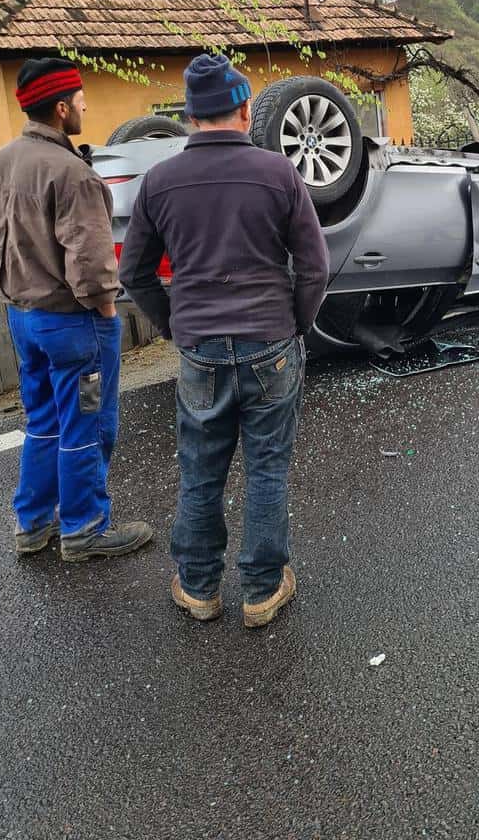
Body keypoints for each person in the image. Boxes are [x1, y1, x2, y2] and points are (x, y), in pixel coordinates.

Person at [119, 53, 330, 628]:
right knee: (266, 468)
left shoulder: (159, 181)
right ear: (243, 110)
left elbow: (134, 274)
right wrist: (296, 325)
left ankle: (198, 588)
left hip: (200, 347)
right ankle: (262, 591)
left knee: (201, 469)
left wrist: (174, 326)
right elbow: (314, 267)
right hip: (270, 341)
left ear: (189, 115)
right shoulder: (279, 172)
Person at [0, 58, 153, 560]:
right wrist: (106, 310)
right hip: (74, 325)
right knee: (87, 422)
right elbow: (90, 260)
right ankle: (84, 528)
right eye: (81, 96)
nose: (86, 104)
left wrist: (11, 285)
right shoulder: (72, 173)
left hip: (23, 319)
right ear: (61, 107)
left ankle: (32, 524)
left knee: (44, 419)